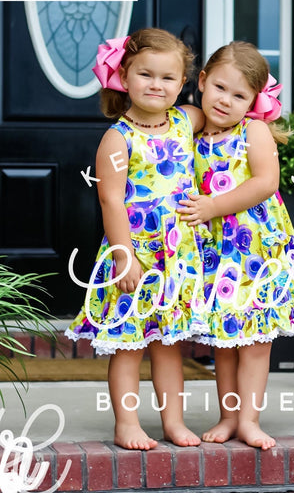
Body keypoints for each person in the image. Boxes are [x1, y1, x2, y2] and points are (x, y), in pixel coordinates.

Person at [66, 28, 210, 450]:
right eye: (145, 74)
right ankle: (126, 423)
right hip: (136, 256)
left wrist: (257, 104)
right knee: (128, 346)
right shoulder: (118, 138)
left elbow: (228, 117)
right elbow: (111, 201)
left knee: (169, 346)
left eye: (168, 78)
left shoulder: (187, 120)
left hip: (177, 256)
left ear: (182, 84)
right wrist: (124, 257)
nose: (156, 85)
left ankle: (173, 422)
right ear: (123, 76)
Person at [178, 41, 294, 450]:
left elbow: (265, 183)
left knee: (256, 342)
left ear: (254, 101)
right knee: (224, 341)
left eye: (240, 95)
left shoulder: (253, 131)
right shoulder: (190, 127)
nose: (226, 101)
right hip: (216, 251)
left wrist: (212, 206)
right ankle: (228, 417)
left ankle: (250, 420)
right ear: (202, 81)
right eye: (220, 88)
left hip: (257, 250)